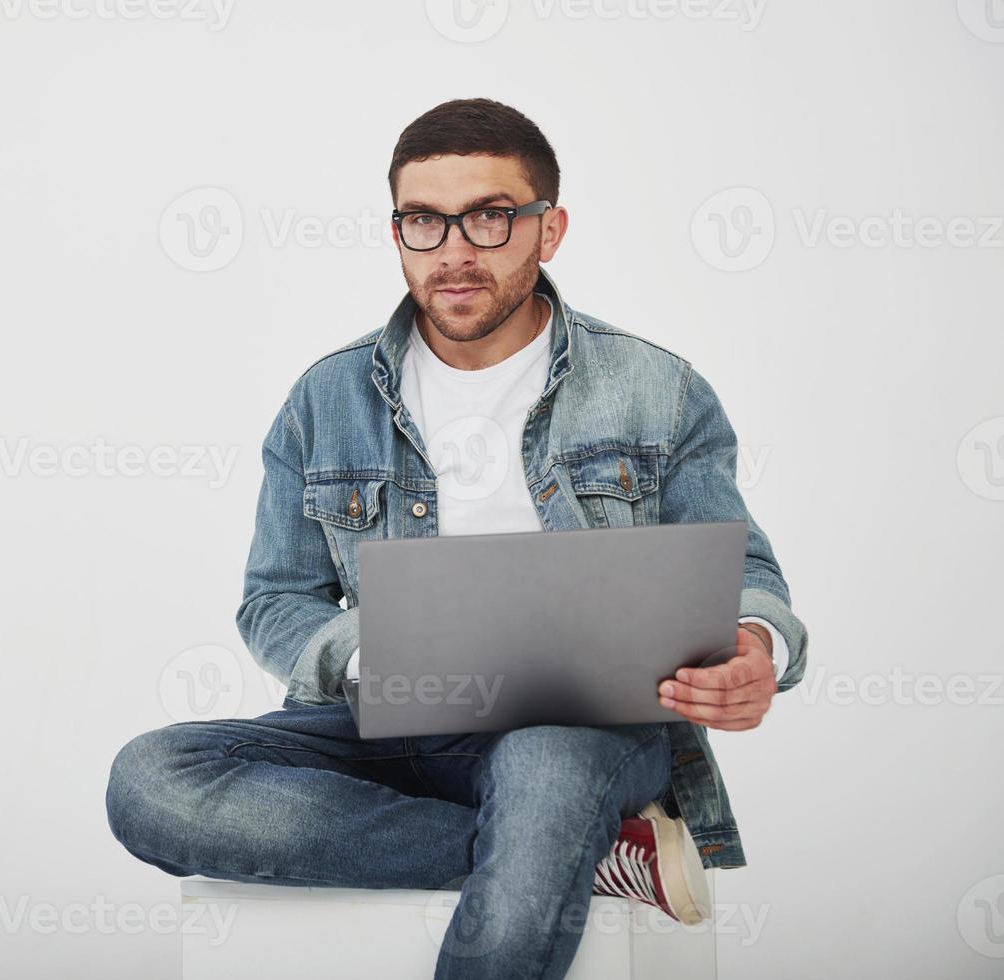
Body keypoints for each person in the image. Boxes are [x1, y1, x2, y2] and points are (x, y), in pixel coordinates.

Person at [105, 97, 808, 980]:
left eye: (487, 217)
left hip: (578, 732)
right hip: (386, 726)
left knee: (547, 773)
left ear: (547, 230)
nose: (453, 252)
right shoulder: (324, 400)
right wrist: (378, 658)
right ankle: (576, 855)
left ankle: (551, 835)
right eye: (422, 223)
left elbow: (743, 572)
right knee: (151, 779)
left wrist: (753, 646)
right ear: (396, 231)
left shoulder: (656, 389)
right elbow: (274, 598)